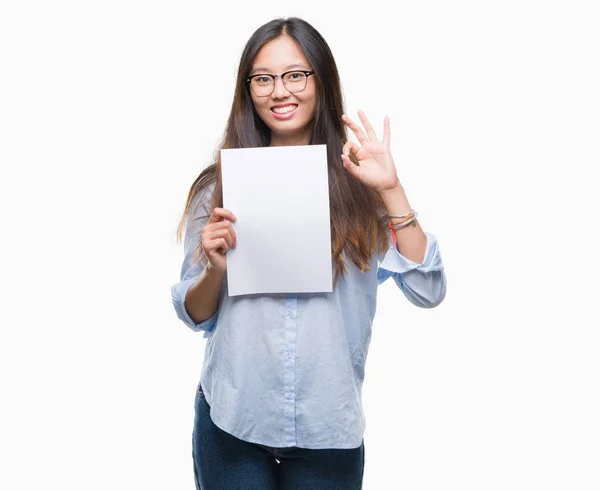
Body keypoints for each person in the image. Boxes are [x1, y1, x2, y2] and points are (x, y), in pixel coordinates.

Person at [171, 16, 447, 490]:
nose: (281, 91)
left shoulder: (361, 184)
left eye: (296, 74)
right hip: (234, 421)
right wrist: (216, 271)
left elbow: (428, 289)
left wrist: (393, 191)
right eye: (264, 78)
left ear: (321, 79)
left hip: (327, 428)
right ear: (248, 89)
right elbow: (196, 315)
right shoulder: (219, 186)